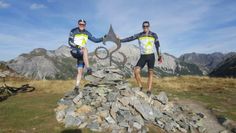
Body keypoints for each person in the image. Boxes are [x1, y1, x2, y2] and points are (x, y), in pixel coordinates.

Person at [119, 21, 162, 96]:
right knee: (136, 71)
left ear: (149, 26)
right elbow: (129, 38)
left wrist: (159, 55)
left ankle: (149, 90)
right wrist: (120, 40)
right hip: (143, 56)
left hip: (151, 56)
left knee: (150, 73)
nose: (145, 28)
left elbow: (157, 45)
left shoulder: (154, 35)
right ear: (142, 27)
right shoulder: (139, 35)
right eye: (144, 26)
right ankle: (140, 86)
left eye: (147, 26)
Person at [68, 19, 104, 92]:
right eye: (80, 24)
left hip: (81, 54)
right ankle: (88, 68)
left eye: (83, 24)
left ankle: (77, 86)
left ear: (85, 25)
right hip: (75, 51)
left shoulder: (87, 33)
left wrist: (104, 37)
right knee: (85, 50)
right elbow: (70, 42)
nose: (81, 26)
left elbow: (95, 40)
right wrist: (78, 46)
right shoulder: (73, 31)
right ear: (78, 24)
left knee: (80, 71)